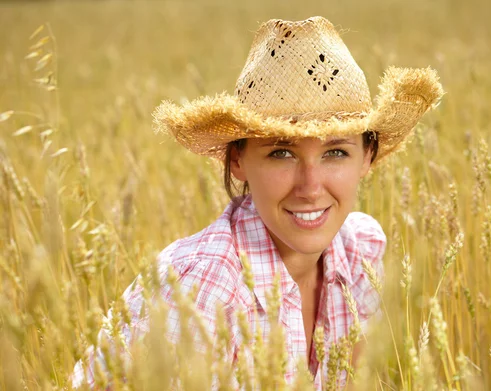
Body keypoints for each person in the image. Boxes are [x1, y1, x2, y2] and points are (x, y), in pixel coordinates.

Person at [73, 16, 443, 390]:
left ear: (367, 156)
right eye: (282, 153)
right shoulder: (204, 289)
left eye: (335, 152)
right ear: (238, 160)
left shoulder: (360, 250)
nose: (310, 187)